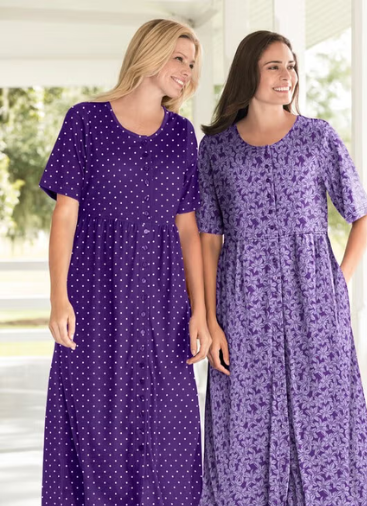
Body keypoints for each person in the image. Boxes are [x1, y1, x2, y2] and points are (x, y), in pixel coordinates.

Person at [196, 31, 367, 505]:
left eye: (291, 66)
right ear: (249, 74)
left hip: (314, 305)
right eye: (274, 67)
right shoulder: (217, 150)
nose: (288, 77)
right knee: (242, 431)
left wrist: (335, 284)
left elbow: (362, 215)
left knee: (323, 429)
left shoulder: (318, 138)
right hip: (243, 305)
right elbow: (208, 239)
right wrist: (212, 321)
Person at [40, 19, 210, 505]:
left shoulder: (181, 135)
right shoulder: (85, 120)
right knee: (93, 428)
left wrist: (199, 311)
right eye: (179, 58)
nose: (187, 71)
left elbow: (188, 231)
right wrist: (58, 297)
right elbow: (65, 216)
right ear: (150, 53)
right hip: (96, 295)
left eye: (192, 63)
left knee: (167, 434)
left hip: (164, 303)